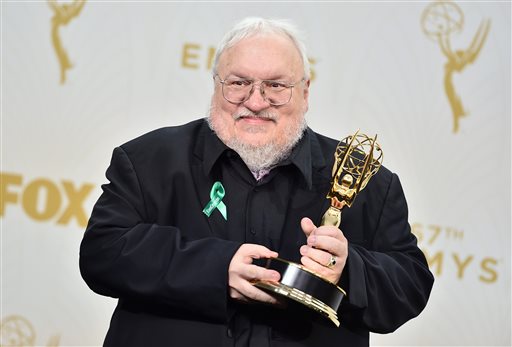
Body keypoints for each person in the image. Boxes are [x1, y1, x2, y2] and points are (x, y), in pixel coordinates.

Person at [79, 17, 434, 347]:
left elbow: (410, 286)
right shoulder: (148, 159)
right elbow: (101, 253)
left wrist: (349, 269)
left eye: (276, 86)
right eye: (238, 83)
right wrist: (217, 268)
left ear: (305, 92)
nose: (255, 101)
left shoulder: (367, 183)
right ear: (216, 85)